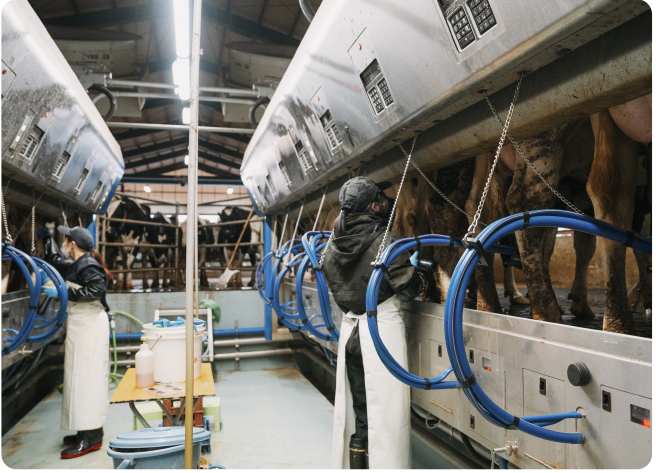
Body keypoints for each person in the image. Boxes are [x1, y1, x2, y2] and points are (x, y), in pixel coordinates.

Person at [321, 176, 431, 469]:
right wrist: (419, 272)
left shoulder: (332, 248)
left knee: (361, 412)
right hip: (382, 333)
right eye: (381, 200)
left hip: (351, 335)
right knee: (388, 414)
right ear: (375, 206)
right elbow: (408, 290)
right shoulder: (387, 244)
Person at [43, 225, 110, 459]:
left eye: (64, 239)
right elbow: (61, 267)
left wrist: (64, 294)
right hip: (83, 326)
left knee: (87, 380)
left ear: (73, 244)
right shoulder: (80, 263)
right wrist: (46, 243)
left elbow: (97, 289)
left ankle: (90, 438)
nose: (63, 241)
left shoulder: (88, 264)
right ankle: (87, 429)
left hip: (90, 326)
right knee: (80, 379)